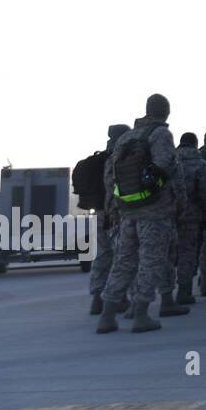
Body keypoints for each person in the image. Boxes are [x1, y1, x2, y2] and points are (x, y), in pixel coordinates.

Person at [96, 95, 187, 334]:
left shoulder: (126, 137)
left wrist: (115, 208)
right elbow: (167, 167)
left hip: (127, 210)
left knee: (123, 261)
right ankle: (141, 315)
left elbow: (110, 177)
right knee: (150, 261)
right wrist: (180, 202)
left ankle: (107, 316)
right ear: (166, 112)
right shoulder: (161, 135)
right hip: (155, 211)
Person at [87, 123, 129, 314]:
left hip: (98, 212)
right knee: (121, 256)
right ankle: (118, 298)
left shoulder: (99, 158)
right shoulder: (120, 156)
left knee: (102, 255)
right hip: (115, 213)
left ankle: (97, 298)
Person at [174, 132, 206, 305]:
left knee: (166, 254)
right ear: (195, 144)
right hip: (191, 216)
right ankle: (184, 291)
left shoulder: (168, 161)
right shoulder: (199, 164)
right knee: (187, 253)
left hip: (166, 215)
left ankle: (166, 294)